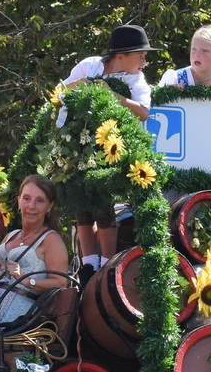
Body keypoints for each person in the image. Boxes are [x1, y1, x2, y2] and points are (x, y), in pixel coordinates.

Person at [59, 24, 157, 273]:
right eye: (140, 55)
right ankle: (88, 265)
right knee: (82, 207)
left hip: (111, 147)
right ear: (120, 55)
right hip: (78, 144)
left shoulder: (136, 79)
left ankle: (106, 266)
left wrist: (114, 96)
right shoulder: (90, 65)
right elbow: (60, 92)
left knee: (103, 207)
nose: (144, 61)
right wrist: (81, 84)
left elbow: (143, 112)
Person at [0, 175, 69, 330]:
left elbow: (61, 282)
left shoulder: (51, 239)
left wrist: (26, 280)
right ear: (19, 201)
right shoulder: (11, 235)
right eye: (26, 198)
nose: (31, 206)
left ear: (49, 207)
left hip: (16, 314)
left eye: (40, 200)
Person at [159, 25, 211, 92]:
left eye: (204, 50)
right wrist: (170, 91)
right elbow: (156, 102)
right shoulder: (175, 78)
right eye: (194, 49)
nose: (197, 55)